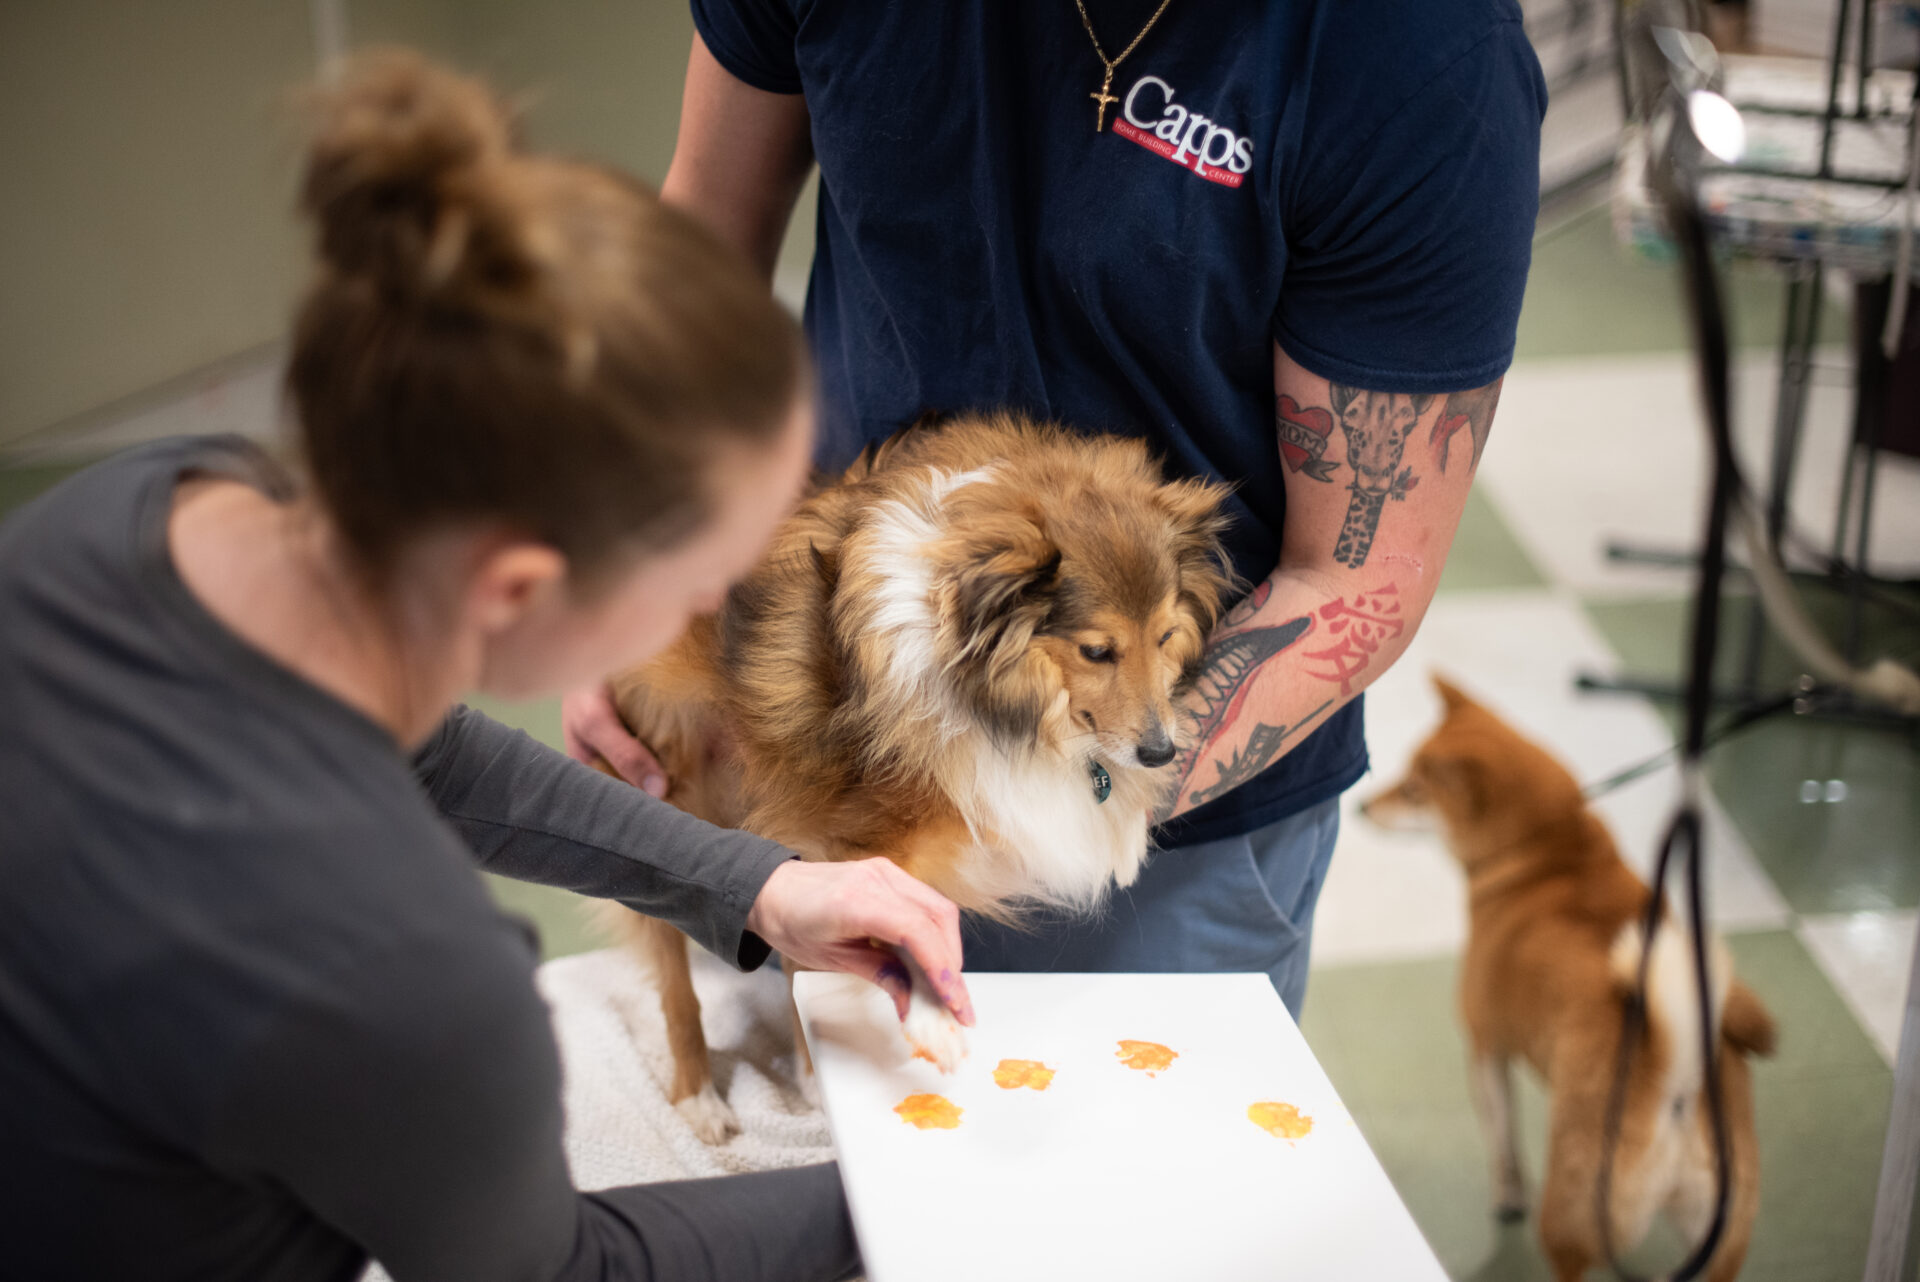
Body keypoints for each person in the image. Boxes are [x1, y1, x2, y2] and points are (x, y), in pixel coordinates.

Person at [0, 51, 973, 1282]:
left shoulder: (143, 508)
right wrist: (923, 1184)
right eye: (707, 578)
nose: (712, 609)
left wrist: (756, 885)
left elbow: (421, 752)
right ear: (517, 587)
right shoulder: (414, 975)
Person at [564, 0, 1549, 1016]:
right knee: (790, 1107)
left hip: (1157, 849)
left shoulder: (1418, 59)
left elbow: (1358, 576)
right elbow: (702, 242)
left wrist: (1037, 800)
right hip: (812, 712)